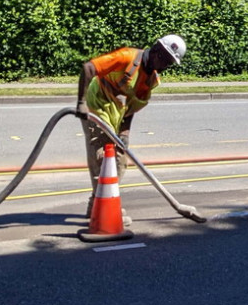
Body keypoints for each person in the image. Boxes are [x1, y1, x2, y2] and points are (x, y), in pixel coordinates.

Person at [76, 34, 186, 219]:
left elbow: (132, 106)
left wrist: (124, 132)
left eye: (170, 63)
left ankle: (99, 204)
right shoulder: (126, 57)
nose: (166, 67)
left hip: (116, 113)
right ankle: (105, 213)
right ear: (156, 50)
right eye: (166, 61)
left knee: (118, 161)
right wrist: (81, 102)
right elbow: (88, 68)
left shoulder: (150, 80)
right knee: (102, 157)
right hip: (95, 105)